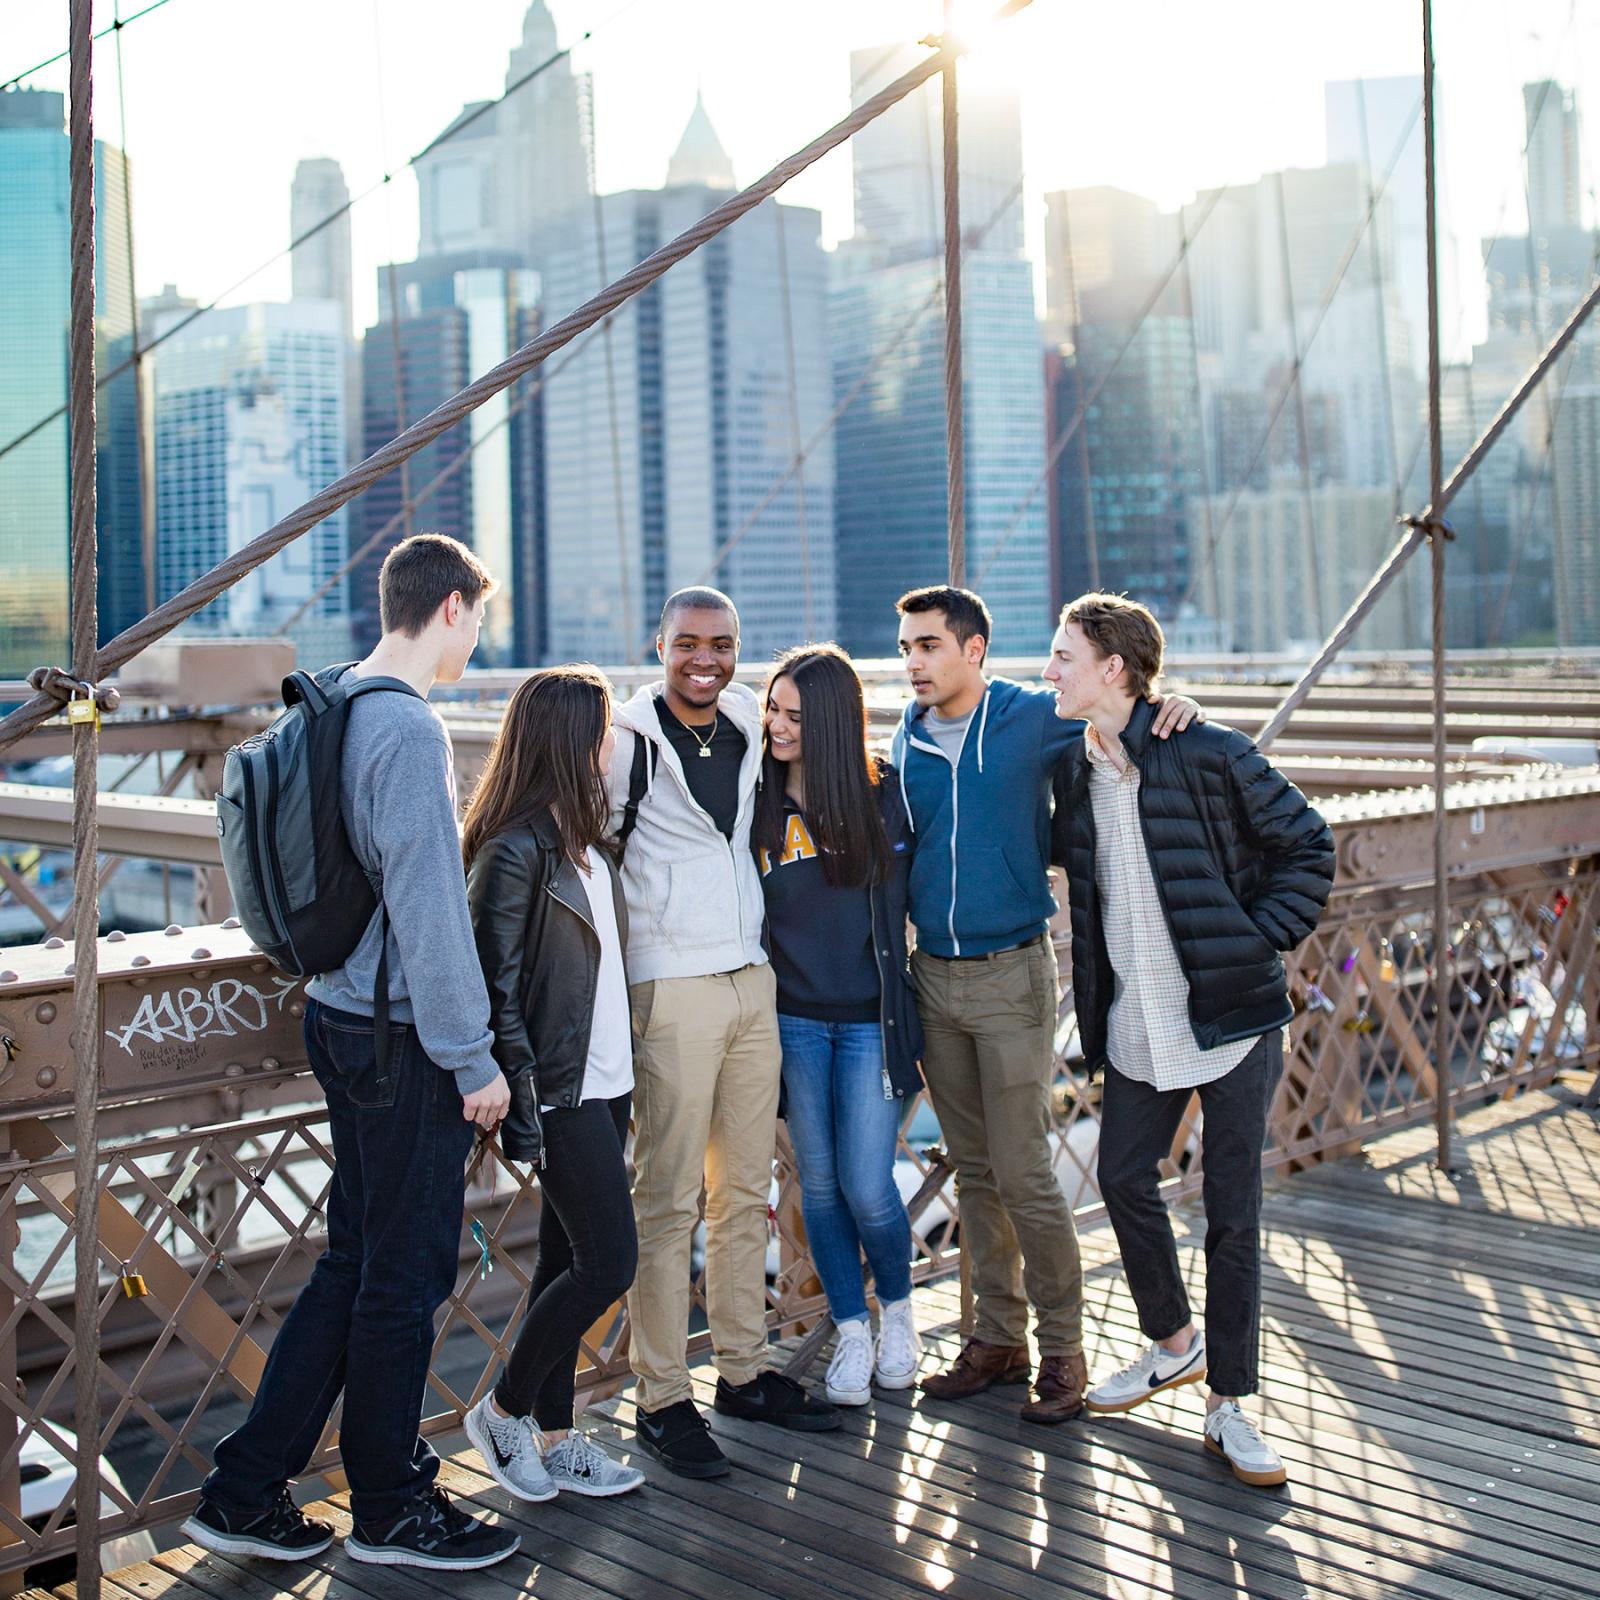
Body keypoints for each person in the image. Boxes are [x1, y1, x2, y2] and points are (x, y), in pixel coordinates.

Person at [185, 533, 520, 1571]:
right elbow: (428, 911)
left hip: (336, 1013)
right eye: (479, 618)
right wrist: (474, 1060)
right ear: (455, 607)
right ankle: (391, 1508)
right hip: (402, 1036)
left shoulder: (328, 699)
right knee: (402, 1278)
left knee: (353, 1263)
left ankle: (243, 1490)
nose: (477, 637)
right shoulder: (409, 731)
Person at [892, 585, 1200, 1424]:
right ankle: (997, 1339)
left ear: (974, 650)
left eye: (928, 646)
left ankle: (1064, 1349)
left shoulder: (1029, 717)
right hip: (936, 975)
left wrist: (1176, 704)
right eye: (906, 648)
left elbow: (1121, 708)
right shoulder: (907, 736)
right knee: (976, 1168)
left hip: (1012, 974)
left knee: (1025, 1169)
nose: (912, 662)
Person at [1045, 593, 1334, 1487]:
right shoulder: (1067, 768)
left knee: (1231, 1214)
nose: (1049, 670)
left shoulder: (1207, 750)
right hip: (1136, 1023)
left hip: (1234, 1019)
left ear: (1114, 671)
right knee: (1127, 1178)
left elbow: (1310, 850)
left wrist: (1256, 940)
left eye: (1062, 657)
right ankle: (1175, 1343)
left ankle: (1232, 1408)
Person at [610, 588, 839, 1480]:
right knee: (666, 1201)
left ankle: (742, 1370)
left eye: (723, 644)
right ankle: (662, 1398)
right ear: (657, 644)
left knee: (744, 1189)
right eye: (687, 644)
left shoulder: (748, 719)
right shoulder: (623, 741)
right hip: (669, 986)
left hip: (752, 979)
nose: (706, 659)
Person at [460, 666, 646, 1502]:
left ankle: (557, 1434)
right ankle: (501, 1411)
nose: (612, 745)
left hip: (609, 1084)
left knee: (563, 1264)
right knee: (610, 1263)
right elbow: (492, 983)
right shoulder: (515, 848)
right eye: (603, 729)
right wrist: (515, 1090)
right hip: (561, 1090)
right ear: (574, 740)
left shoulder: (586, 839)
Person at [753, 644, 924, 1407]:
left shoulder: (882, 795)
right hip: (791, 1021)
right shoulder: (752, 795)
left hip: (867, 1022)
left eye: (794, 715)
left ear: (829, 723)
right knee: (818, 1187)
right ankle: (851, 1330)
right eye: (772, 708)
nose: (777, 725)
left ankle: (901, 1316)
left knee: (866, 1182)